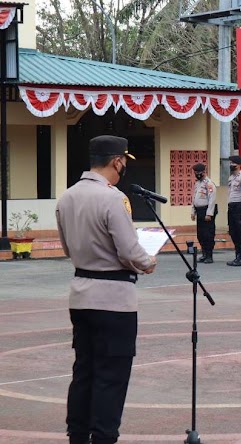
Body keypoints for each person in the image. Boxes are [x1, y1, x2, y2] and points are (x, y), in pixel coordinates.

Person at [56, 135, 157, 444]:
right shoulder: (112, 199)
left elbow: (66, 248)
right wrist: (148, 261)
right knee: (111, 377)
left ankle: (77, 436)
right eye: (124, 162)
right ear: (117, 161)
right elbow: (129, 251)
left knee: (84, 372)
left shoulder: (67, 197)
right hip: (114, 300)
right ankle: (103, 438)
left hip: (81, 294)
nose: (124, 167)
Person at [226, 155, 241, 266]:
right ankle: (237, 255)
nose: (231, 165)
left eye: (233, 163)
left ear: (239, 165)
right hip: (231, 207)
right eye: (230, 163)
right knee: (233, 232)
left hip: (239, 207)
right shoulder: (231, 178)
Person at [190, 163, 217, 264]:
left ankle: (209, 255)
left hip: (207, 211)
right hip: (199, 211)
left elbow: (212, 199)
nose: (197, 174)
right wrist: (193, 211)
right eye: (195, 173)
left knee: (208, 234)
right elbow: (194, 198)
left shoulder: (209, 183)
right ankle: (204, 253)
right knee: (200, 234)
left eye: (198, 173)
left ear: (204, 172)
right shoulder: (198, 183)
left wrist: (209, 213)